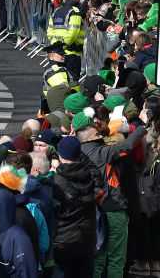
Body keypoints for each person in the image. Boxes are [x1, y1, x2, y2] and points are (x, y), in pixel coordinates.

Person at [77, 105, 149, 277]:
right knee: (116, 258)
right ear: (90, 132)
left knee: (99, 256)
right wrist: (142, 126)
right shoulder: (102, 152)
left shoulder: (79, 150)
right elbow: (128, 145)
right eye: (95, 125)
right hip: (114, 208)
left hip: (93, 210)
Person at [50, 136, 97, 278]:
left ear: (60, 155)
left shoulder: (57, 181)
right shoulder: (89, 175)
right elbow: (95, 171)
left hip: (64, 241)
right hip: (86, 237)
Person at [46, 0, 85, 78]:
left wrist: (56, 46)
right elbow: (72, 34)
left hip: (56, 52)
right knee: (72, 84)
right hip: (71, 54)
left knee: (58, 80)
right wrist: (63, 46)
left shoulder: (57, 11)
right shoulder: (75, 12)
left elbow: (49, 32)